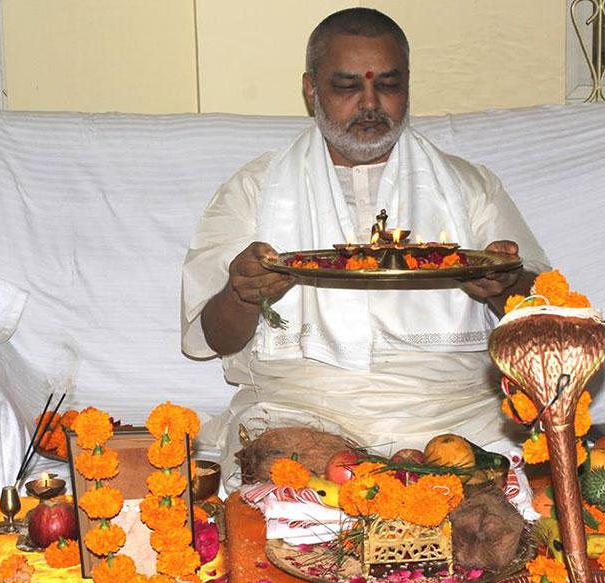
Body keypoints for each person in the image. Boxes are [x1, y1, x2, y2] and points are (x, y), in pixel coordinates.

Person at [182, 7, 550, 487]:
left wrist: (505, 284)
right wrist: (242, 291)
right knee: (277, 466)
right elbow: (213, 339)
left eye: (389, 85)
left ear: (408, 87)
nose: (371, 103)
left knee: (504, 505)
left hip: (455, 416)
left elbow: (546, 316)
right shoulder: (257, 190)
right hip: (304, 415)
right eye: (347, 86)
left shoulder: (467, 187)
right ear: (311, 90)